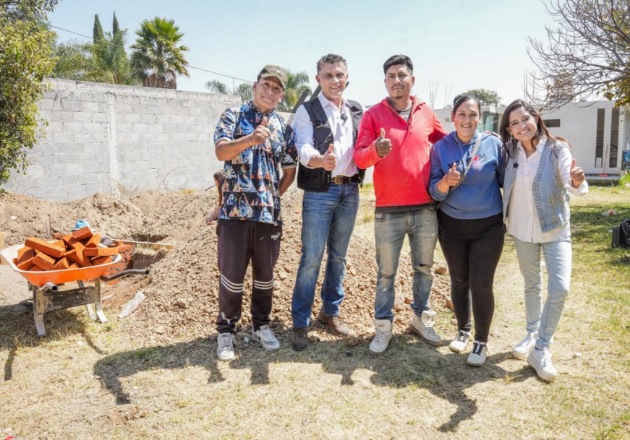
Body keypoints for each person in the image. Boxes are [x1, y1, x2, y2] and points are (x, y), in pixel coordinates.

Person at [354, 54, 447, 354]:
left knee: (424, 269)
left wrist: (477, 142)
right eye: (391, 76)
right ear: (385, 82)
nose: (397, 80)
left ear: (412, 79)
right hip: (388, 211)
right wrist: (376, 150)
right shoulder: (373, 115)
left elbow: (446, 143)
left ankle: (421, 320)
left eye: (402, 75)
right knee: (386, 274)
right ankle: (383, 328)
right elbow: (359, 157)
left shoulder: (425, 112)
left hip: (425, 208)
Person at [213, 65, 298, 361]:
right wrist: (250, 139)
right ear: (255, 85)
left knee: (265, 276)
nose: (270, 92)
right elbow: (221, 152)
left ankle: (261, 325)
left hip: (267, 217)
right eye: (266, 85)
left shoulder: (283, 128)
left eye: (276, 88)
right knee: (232, 275)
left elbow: (290, 171)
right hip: (234, 214)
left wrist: (272, 197)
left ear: (281, 95)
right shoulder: (233, 115)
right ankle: (226, 330)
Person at [499, 99, 587, 382]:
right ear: (509, 130)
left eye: (525, 118)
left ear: (536, 118)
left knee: (560, 287)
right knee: (532, 285)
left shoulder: (557, 148)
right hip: (522, 230)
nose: (521, 126)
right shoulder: (509, 152)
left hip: (555, 229)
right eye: (514, 123)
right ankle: (531, 334)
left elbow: (569, 179)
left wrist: (576, 181)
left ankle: (541, 348)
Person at [290, 54, 364, 351]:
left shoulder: (356, 109)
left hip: (350, 191)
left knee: (339, 257)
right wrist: (320, 160)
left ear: (347, 77)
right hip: (320, 193)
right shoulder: (307, 110)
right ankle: (300, 322)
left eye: (340, 74)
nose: (335, 80)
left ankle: (329, 313)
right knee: (311, 258)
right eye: (329, 75)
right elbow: (302, 147)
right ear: (318, 79)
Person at [429, 94, 505, 367]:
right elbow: (433, 191)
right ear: (453, 117)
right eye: (462, 114)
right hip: (452, 226)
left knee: (481, 283)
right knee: (459, 281)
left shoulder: (494, 144)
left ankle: (481, 342)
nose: (467, 119)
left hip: (488, 226)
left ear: (479, 118)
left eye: (473, 114)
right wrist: (446, 182)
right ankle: (463, 330)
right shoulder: (440, 148)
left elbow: (507, 181)